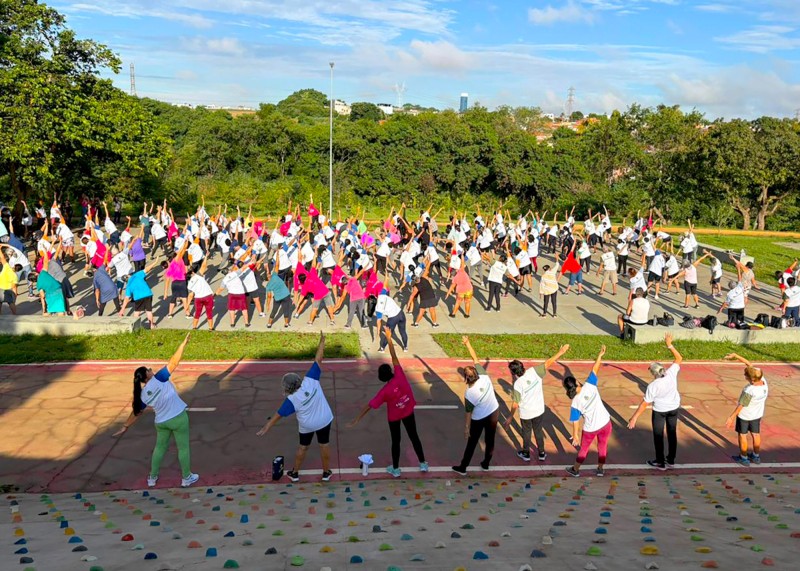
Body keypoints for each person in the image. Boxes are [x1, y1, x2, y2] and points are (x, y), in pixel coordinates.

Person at [112, 333, 199, 488]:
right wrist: (183, 344)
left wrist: (125, 426)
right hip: (178, 419)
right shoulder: (159, 378)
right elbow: (174, 362)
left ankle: (152, 478)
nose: (151, 369)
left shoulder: (143, 395)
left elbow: (136, 413)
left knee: (159, 449)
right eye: (149, 369)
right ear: (147, 376)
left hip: (161, 422)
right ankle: (186, 477)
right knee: (183, 448)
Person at [348, 326, 428, 477]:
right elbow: (394, 357)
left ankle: (396, 469)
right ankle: (423, 463)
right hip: (408, 411)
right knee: (414, 436)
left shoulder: (384, 392)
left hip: (394, 417)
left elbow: (369, 406)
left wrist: (356, 419)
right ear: (391, 371)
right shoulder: (399, 374)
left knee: (396, 441)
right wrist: (390, 339)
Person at [257, 332, 333, 483]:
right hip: (324, 419)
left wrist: (266, 427)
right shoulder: (310, 380)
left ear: (287, 388)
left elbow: (277, 415)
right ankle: (326, 473)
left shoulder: (291, 400)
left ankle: (295, 473)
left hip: (307, 425)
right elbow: (319, 358)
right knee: (324, 445)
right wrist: (322, 341)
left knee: (303, 447)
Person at [504, 344, 570, 462]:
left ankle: (526, 453)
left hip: (526, 413)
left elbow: (515, 403)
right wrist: (560, 352)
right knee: (538, 431)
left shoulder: (518, 385)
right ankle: (541, 453)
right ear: (522, 367)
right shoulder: (534, 371)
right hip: (539, 410)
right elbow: (548, 363)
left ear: (514, 373)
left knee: (526, 432)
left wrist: (510, 417)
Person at [627, 334, 683, 470]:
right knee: (672, 432)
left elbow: (645, 403)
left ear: (654, 374)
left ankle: (660, 461)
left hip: (660, 411)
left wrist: (634, 418)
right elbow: (679, 358)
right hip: (674, 408)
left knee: (658, 435)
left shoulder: (653, 386)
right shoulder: (671, 373)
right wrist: (669, 345)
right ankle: (671, 459)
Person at [452, 335, 500, 475]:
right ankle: (486, 464)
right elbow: (475, 358)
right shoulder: (484, 376)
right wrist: (468, 343)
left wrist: (467, 428)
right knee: (490, 440)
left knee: (472, 443)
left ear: (466, 378)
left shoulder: (469, 393)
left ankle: (463, 467)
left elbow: (468, 412)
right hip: (493, 412)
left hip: (479, 418)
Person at [564, 345, 612, 477]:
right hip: (606, 423)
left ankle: (575, 469)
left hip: (591, 428)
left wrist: (575, 435)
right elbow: (595, 369)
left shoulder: (575, 402)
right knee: (602, 447)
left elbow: (575, 421)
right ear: (577, 383)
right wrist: (599, 356)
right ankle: (600, 469)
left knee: (584, 449)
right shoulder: (590, 385)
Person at [724, 352, 768, 466]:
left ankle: (743, 458)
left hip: (745, 416)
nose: (745, 377)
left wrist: (731, 417)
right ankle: (756, 456)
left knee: (742, 435)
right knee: (756, 434)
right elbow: (749, 364)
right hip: (757, 415)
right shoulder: (763, 380)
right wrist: (737, 356)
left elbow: (741, 405)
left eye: (746, 376)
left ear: (752, 380)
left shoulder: (750, 390)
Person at [376, 280, 408, 353]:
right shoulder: (383, 295)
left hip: (392, 318)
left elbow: (379, 321)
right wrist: (386, 276)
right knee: (403, 331)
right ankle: (405, 347)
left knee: (389, 333)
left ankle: (382, 348)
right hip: (400, 313)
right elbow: (385, 284)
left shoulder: (378, 308)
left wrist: (378, 332)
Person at [0, 247, 19, 315]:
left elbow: (2, 258)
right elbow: (14, 286)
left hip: (0, 288)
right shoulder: (14, 276)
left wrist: (0, 250)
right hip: (8, 289)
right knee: (11, 302)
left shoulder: (6, 267)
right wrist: (15, 294)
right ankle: (14, 314)